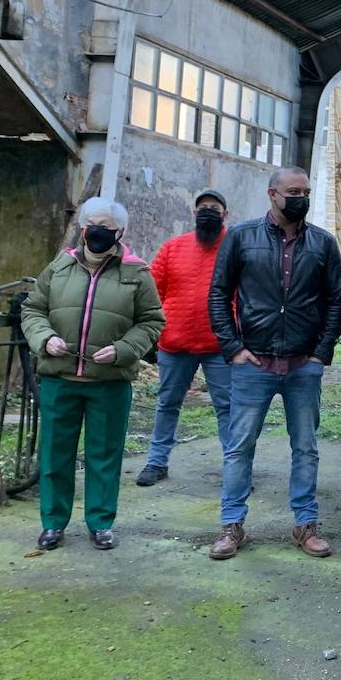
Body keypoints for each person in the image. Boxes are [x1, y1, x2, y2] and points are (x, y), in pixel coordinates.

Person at [206, 167, 341, 560]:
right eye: (292, 191)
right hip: (254, 362)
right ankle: (231, 525)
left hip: (303, 364)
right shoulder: (241, 237)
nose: (300, 197)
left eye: (305, 191)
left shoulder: (322, 243)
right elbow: (218, 293)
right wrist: (232, 347)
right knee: (239, 447)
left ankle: (305, 523)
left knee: (306, 448)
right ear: (272, 194)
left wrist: (321, 353)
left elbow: (335, 301)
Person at [21, 197, 165, 552]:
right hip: (59, 379)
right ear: (82, 228)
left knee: (104, 456)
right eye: (92, 225)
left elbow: (151, 321)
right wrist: (45, 338)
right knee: (56, 455)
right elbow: (33, 309)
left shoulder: (136, 273)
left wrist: (123, 350)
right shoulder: (59, 268)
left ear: (121, 232)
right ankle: (53, 523)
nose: (97, 233)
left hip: (109, 383)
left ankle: (100, 523)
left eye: (107, 227)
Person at [136, 189, 232, 487]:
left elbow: (246, 293)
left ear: (225, 214)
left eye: (214, 207)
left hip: (220, 346)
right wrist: (158, 327)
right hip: (175, 343)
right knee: (168, 403)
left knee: (228, 406)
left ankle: (235, 466)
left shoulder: (235, 247)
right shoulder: (172, 248)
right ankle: (157, 461)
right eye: (202, 207)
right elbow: (153, 292)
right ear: (193, 213)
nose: (207, 211)